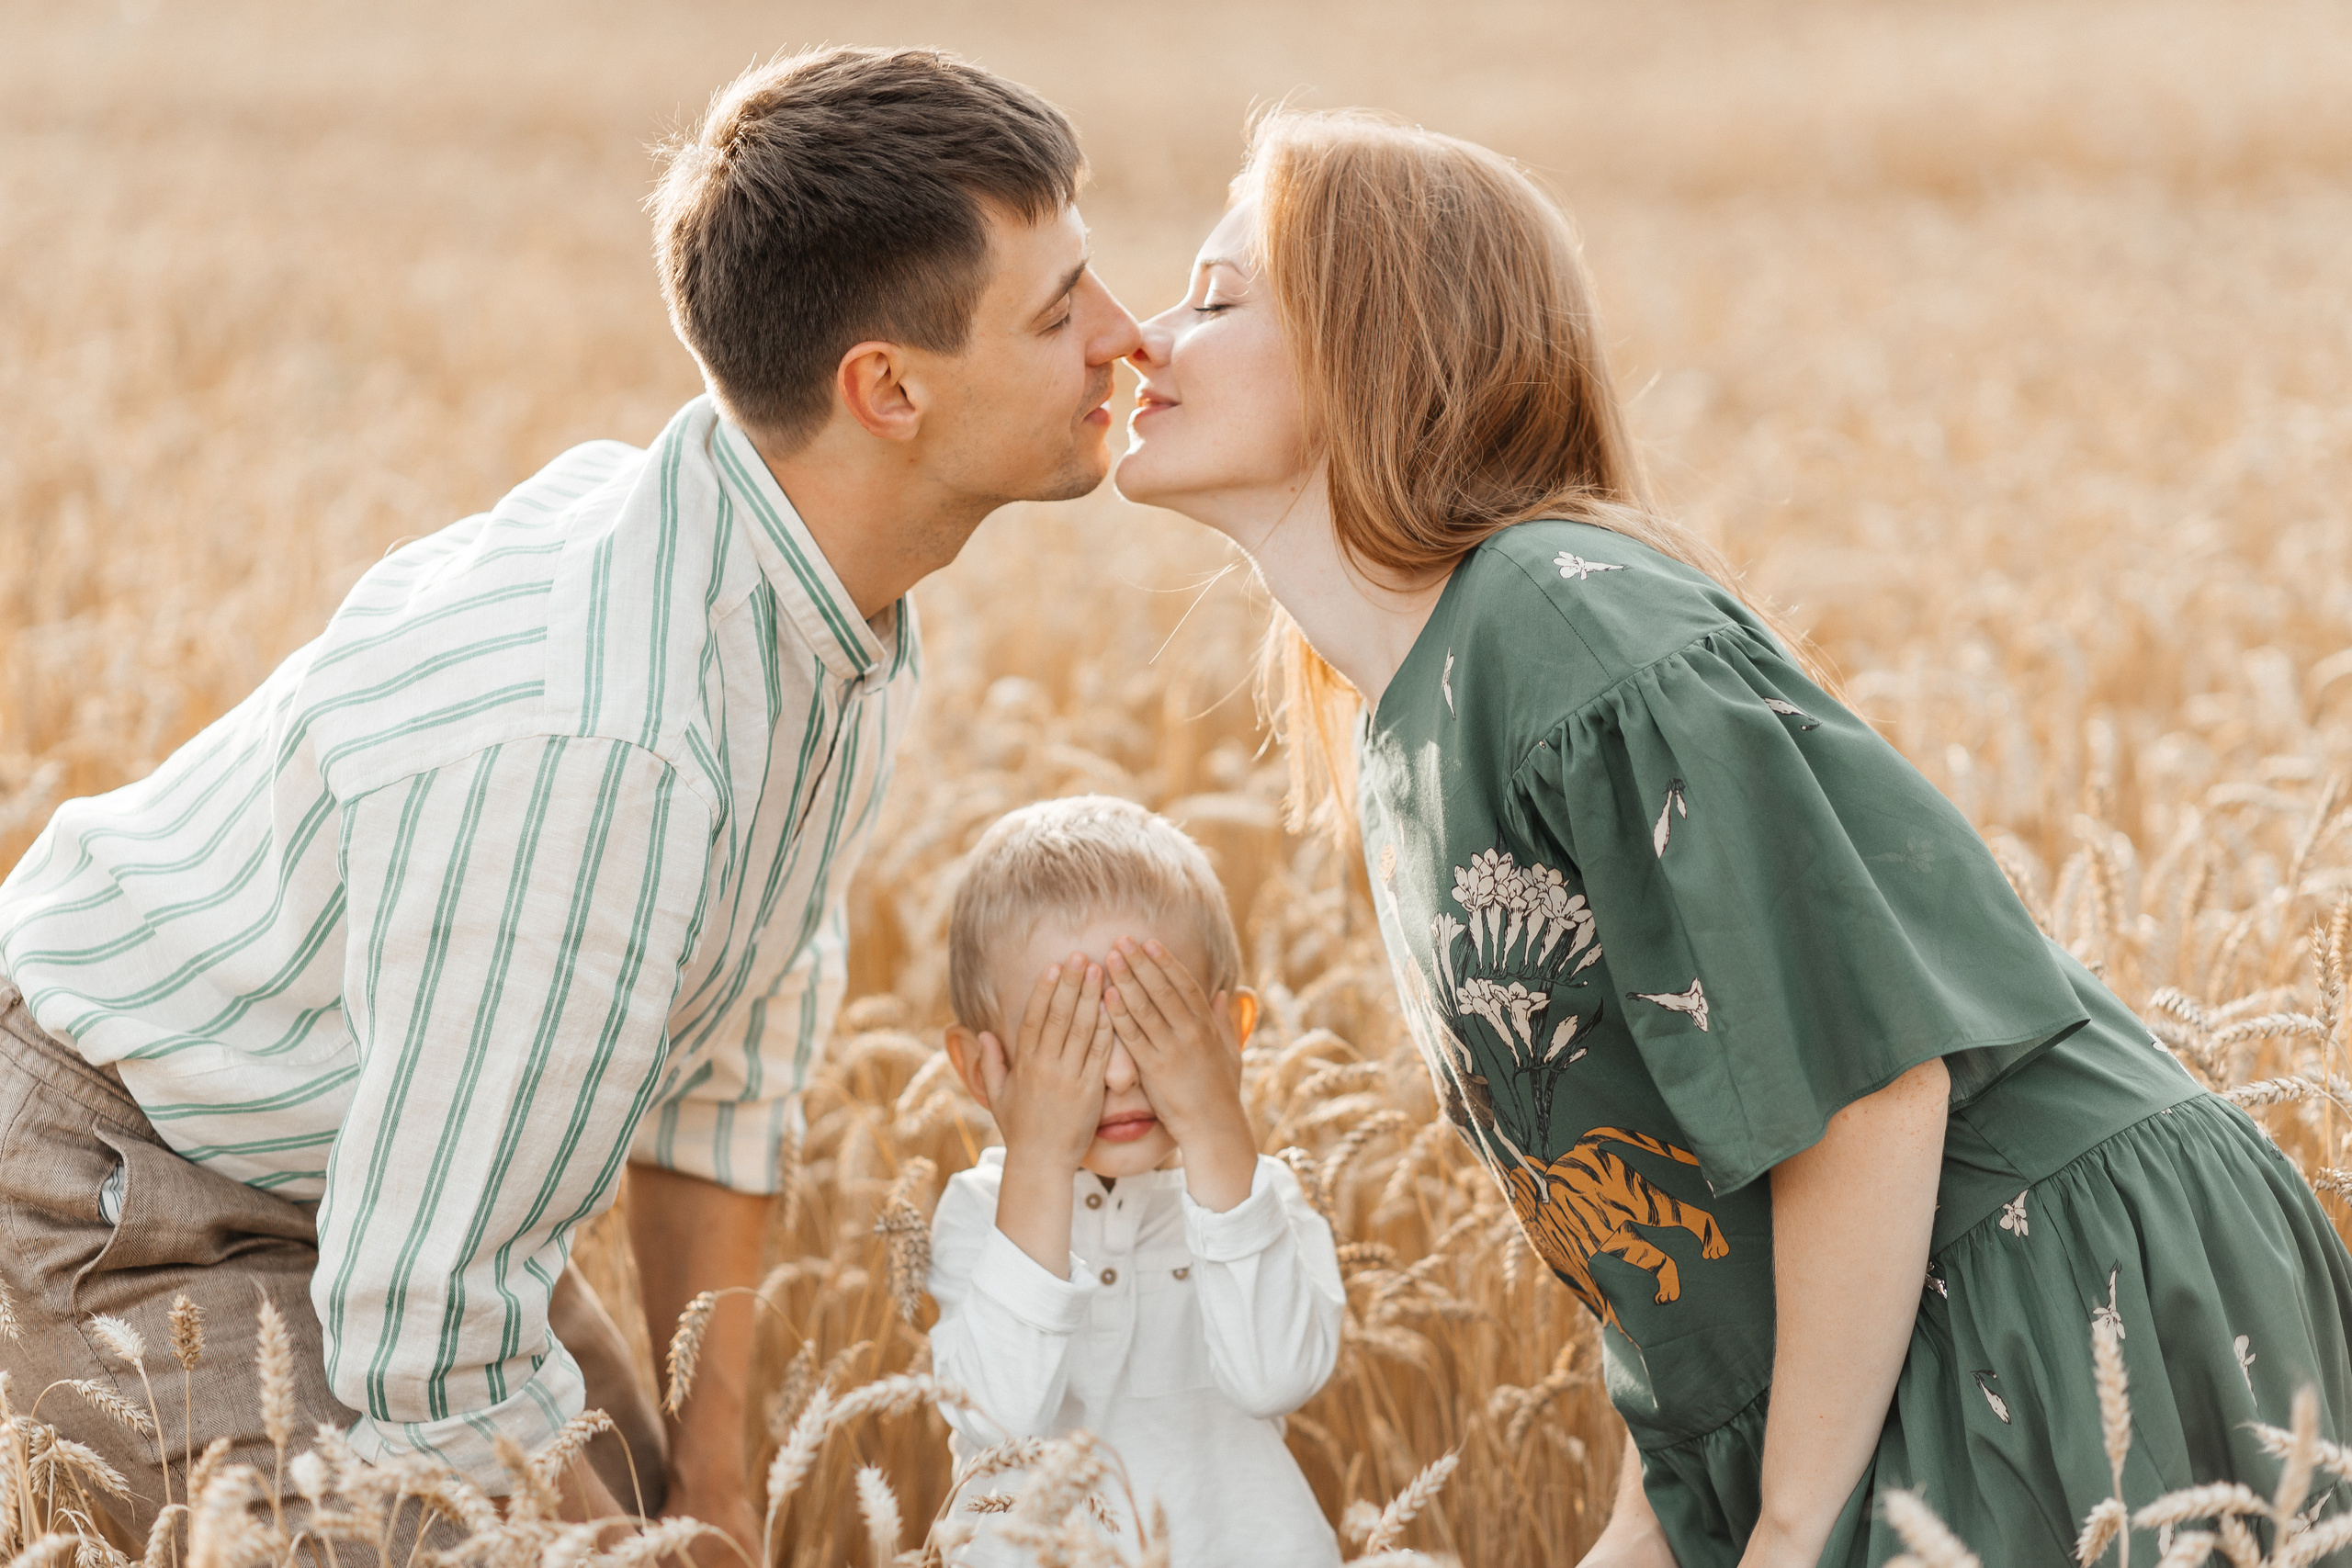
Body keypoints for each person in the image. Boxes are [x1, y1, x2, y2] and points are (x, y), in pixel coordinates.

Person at [1112, 107, 2352, 1567]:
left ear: (1374, 346)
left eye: (1213, 297)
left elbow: (1867, 1083)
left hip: (2047, 1295)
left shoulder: (1561, 617)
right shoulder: (1411, 726)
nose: (1142, 337)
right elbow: (1672, 1237)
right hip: (1891, 1337)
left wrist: (1783, 1527)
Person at [0, 47, 1141, 1552]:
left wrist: (714, 1490)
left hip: (347, 1184)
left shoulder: (816, 611)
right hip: (108, 1198)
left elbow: (726, 1079)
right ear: (886, 390)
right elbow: (430, 1333)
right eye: (1062, 313)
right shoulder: (614, 749)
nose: (1125, 338)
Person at [925, 795, 1344, 1567]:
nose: (1118, 1072)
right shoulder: (977, 1214)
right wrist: (1041, 1159)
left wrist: (1217, 1122)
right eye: (1071, 1039)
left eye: (1150, 1027)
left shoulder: (1264, 1197)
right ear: (981, 1068)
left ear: (1230, 1033)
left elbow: (1274, 1378)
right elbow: (998, 1417)